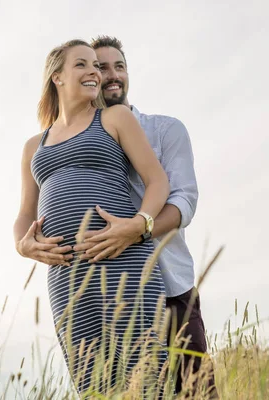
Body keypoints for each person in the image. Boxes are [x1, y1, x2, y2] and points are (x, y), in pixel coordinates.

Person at [13, 39, 170, 395]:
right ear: (57, 77)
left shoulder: (115, 118)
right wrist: (24, 246)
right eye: (82, 65)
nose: (94, 73)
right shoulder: (32, 146)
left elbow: (157, 180)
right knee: (94, 386)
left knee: (147, 382)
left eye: (96, 67)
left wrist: (139, 223)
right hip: (67, 277)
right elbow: (24, 214)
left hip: (125, 263)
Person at [69, 35, 216, 396]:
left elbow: (185, 200)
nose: (112, 75)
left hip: (170, 287)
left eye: (120, 66)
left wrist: (137, 231)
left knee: (194, 391)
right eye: (102, 68)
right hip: (109, 295)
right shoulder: (77, 139)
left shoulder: (165, 129)